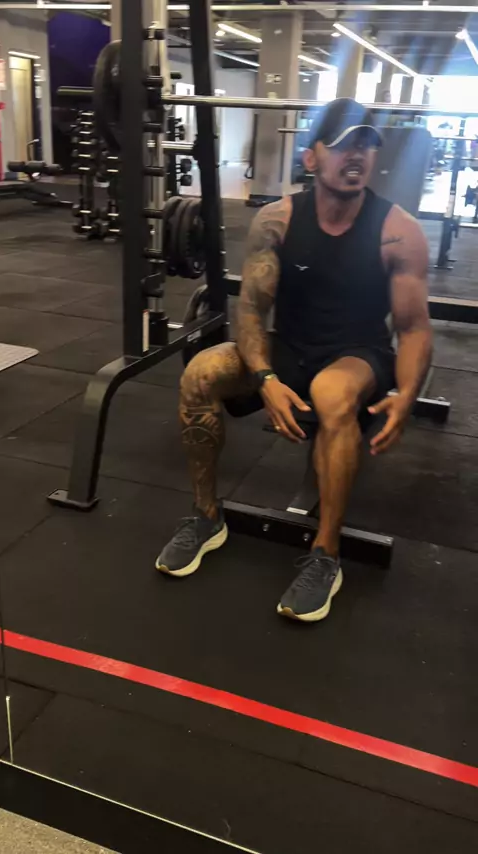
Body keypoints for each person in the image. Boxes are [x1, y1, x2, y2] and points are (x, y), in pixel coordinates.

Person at [157, 98, 432, 623]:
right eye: (344, 145)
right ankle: (206, 516)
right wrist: (264, 378)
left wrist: (406, 395)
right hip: (291, 345)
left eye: (367, 146)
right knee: (200, 374)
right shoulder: (277, 220)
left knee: (332, 393)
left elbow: (414, 327)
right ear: (312, 157)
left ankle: (327, 554)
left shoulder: (398, 231)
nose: (358, 155)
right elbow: (251, 311)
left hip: (358, 353)